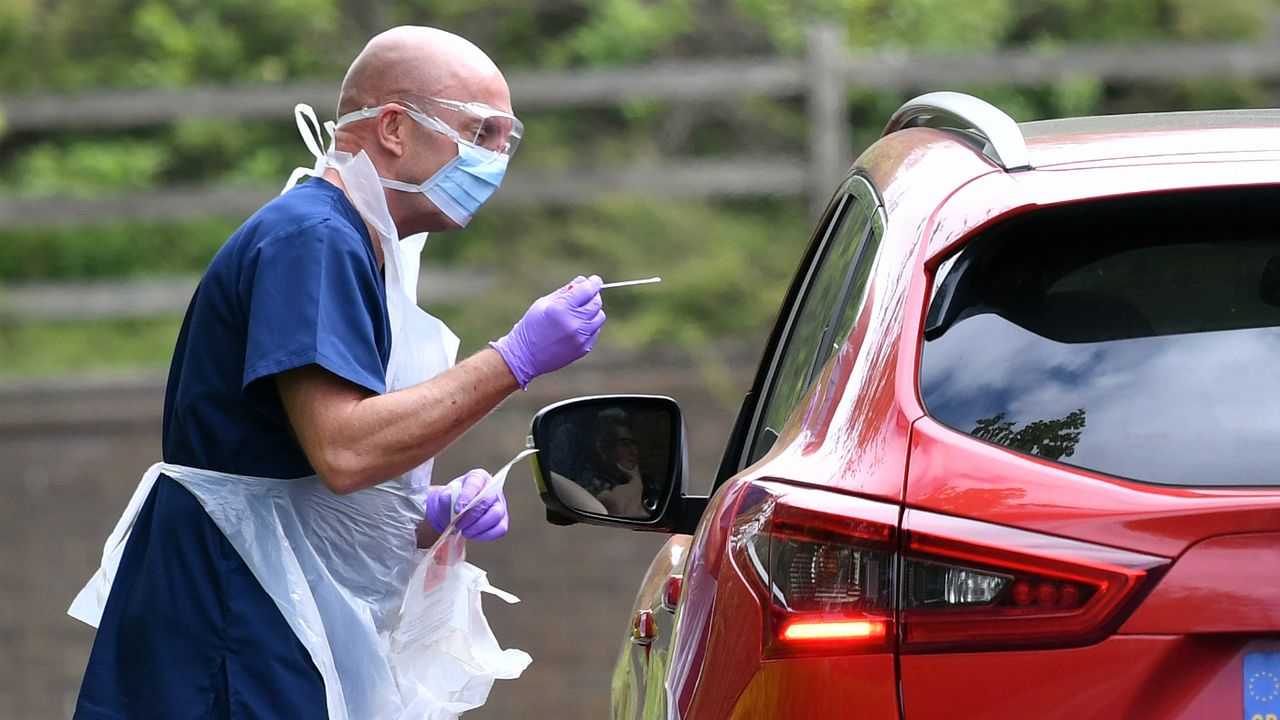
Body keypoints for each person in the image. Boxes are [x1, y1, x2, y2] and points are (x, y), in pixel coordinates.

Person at [70, 26, 605, 720]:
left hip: (268, 594)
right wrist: (516, 358)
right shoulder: (313, 238)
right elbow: (345, 450)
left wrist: (423, 514)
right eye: (484, 132)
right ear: (393, 128)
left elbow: (287, 461)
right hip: (231, 606)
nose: (498, 159)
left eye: (508, 138)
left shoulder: (364, 243)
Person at [580, 408, 659, 517]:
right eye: (626, 444)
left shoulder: (647, 483)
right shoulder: (589, 489)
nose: (634, 452)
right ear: (604, 449)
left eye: (635, 444)